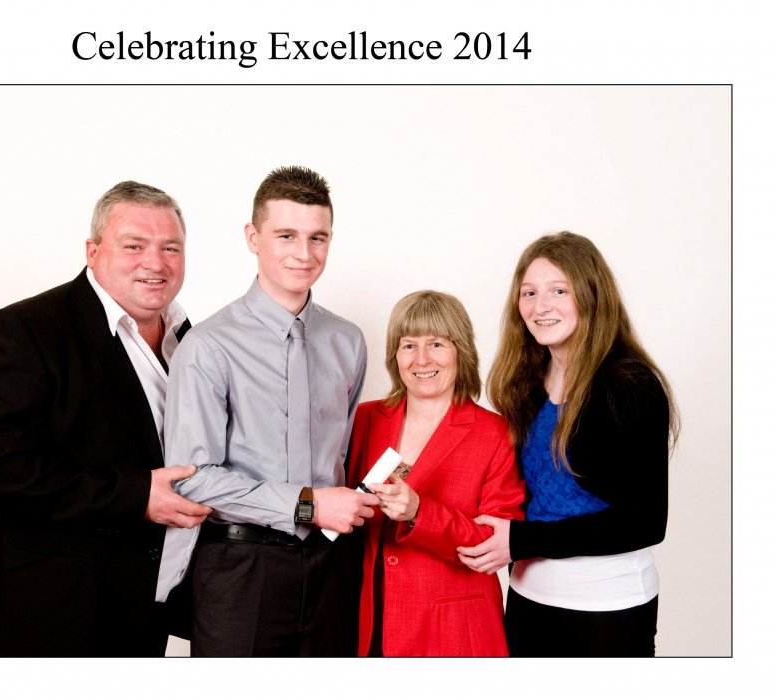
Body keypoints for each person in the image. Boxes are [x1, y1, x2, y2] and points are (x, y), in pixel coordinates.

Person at [0, 181, 211, 656]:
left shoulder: (191, 338)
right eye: (134, 245)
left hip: (142, 615)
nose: (155, 263)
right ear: (93, 252)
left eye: (170, 248)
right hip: (49, 616)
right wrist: (135, 494)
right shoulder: (26, 329)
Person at [160, 165, 381, 656]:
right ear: (253, 238)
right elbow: (191, 478)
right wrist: (308, 504)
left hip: (330, 564)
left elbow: (340, 455)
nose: (304, 254)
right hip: (241, 568)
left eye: (317, 237)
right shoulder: (208, 345)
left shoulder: (347, 341)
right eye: (286, 235)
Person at [458, 231, 680, 657]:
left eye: (559, 290)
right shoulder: (525, 382)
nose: (541, 306)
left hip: (606, 610)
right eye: (529, 293)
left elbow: (645, 522)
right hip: (527, 599)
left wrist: (521, 541)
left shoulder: (629, 385)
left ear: (591, 295)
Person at [348, 290, 525, 657]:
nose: (421, 359)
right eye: (408, 345)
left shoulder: (495, 433)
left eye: (437, 344)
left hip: (455, 632)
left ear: (461, 351)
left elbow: (494, 541)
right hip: (371, 623)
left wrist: (419, 513)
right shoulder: (364, 419)